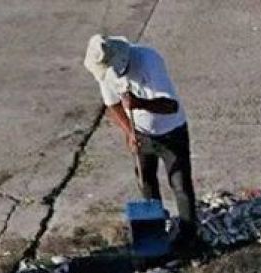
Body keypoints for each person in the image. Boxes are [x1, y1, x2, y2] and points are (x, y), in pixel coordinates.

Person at [83, 35, 201, 252]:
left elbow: (170, 106)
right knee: (146, 181)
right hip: (142, 134)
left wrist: (139, 103)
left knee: (180, 184)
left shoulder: (149, 60)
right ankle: (154, 234)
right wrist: (129, 132)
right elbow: (112, 106)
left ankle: (189, 236)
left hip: (171, 131)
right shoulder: (105, 73)